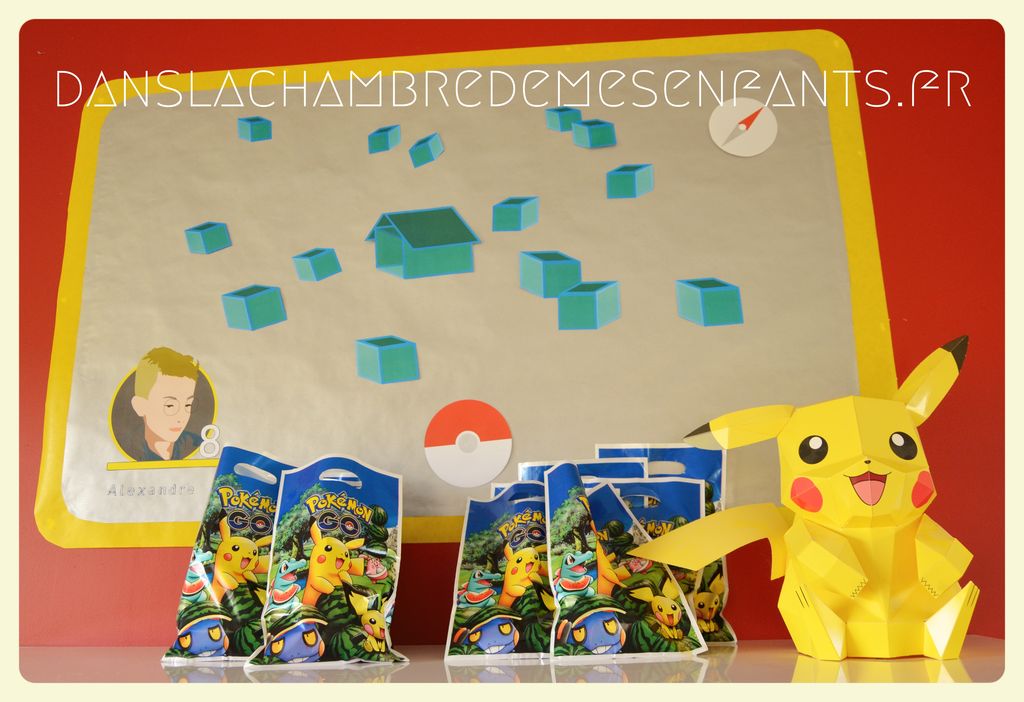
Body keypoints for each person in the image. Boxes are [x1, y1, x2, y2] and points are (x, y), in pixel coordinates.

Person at [130, 347, 203, 460]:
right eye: (170, 405)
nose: (181, 417)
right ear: (140, 406)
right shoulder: (128, 451)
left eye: (188, 405)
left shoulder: (199, 446)